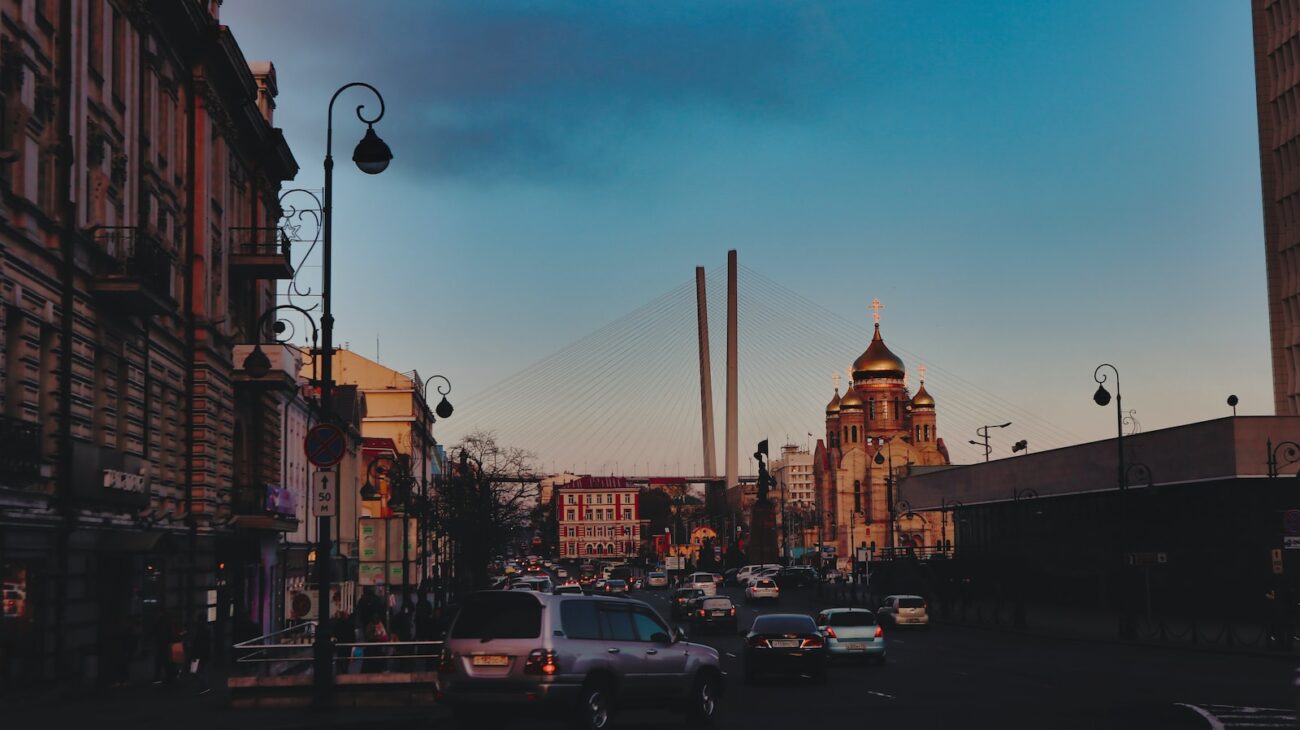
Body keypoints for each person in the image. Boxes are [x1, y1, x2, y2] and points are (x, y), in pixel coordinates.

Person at [188, 612, 212, 695]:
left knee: (194, 671)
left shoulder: (197, 629)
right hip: (204, 653)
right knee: (202, 671)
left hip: (196, 653)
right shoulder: (208, 629)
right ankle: (204, 686)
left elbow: (192, 640)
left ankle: (204, 686)